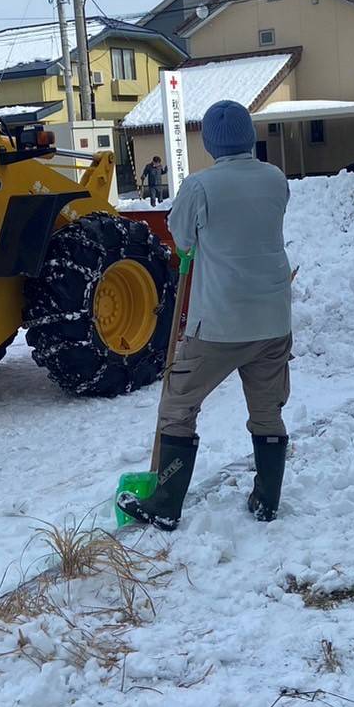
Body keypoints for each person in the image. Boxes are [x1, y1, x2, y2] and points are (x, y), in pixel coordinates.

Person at [117, 100, 292, 531]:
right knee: (267, 411)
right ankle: (266, 499)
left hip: (219, 323)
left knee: (178, 404)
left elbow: (181, 238)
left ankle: (165, 503)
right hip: (273, 319)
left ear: (211, 143)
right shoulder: (276, 179)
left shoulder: (200, 186)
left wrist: (194, 241)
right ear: (249, 137)